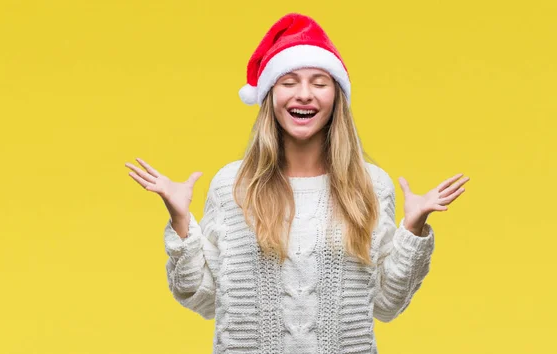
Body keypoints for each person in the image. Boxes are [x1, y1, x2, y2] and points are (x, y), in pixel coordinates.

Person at [125, 12, 469, 354]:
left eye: (319, 83)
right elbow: (203, 299)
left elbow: (386, 304)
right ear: (269, 96)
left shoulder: (370, 186)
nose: (304, 94)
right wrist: (181, 222)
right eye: (289, 82)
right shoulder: (232, 185)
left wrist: (414, 226)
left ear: (336, 97)